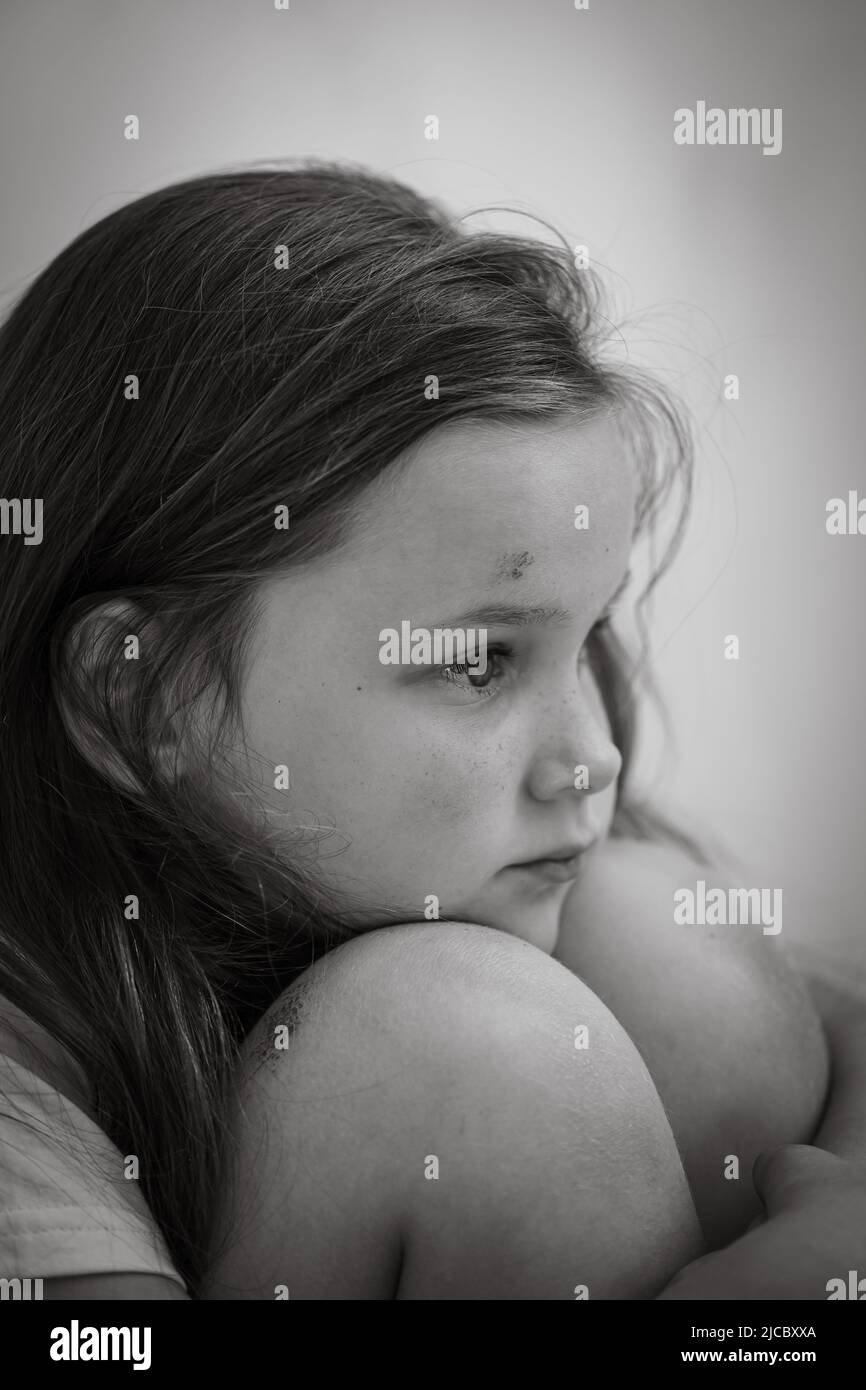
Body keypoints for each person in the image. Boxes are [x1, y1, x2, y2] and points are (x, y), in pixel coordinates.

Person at [0, 161, 858, 1300]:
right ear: (143, 698)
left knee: (683, 963)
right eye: (476, 661)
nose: (590, 755)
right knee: (467, 1044)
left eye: (587, 636)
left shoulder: (478, 869)